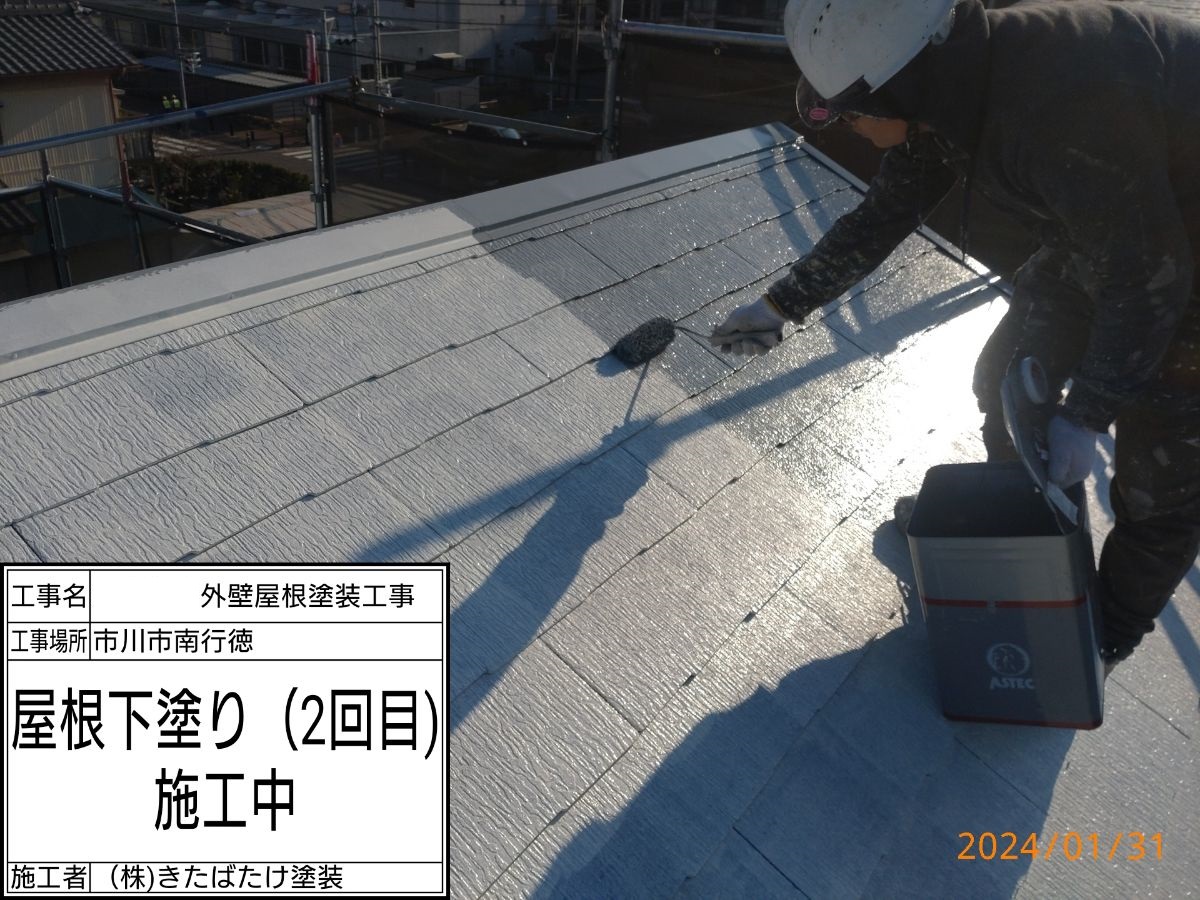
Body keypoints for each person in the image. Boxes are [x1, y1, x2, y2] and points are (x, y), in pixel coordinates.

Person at [710, 0, 1200, 674]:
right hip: (1119, 230)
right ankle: (1020, 535)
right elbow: (887, 211)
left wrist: (1088, 413)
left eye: (848, 112)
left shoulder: (1057, 109)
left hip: (1171, 257)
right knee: (1008, 378)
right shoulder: (949, 87)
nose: (845, 126)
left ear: (900, 89)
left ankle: (1098, 642)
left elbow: (1149, 278)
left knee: (1160, 482)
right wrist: (780, 305)